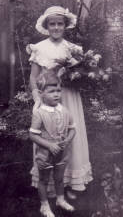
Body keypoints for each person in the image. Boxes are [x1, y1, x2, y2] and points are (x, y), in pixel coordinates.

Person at [27, 6, 92, 198]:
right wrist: (37, 98)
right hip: (47, 98)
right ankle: (49, 185)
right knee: (48, 138)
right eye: (52, 24)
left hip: (69, 97)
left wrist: (79, 75)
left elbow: (83, 75)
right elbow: (33, 77)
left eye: (59, 24)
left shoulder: (73, 48)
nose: (56, 27)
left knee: (70, 136)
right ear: (47, 26)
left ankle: (71, 182)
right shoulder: (39, 48)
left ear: (65, 25)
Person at [29, 70, 75, 217]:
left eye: (58, 91)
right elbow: (33, 135)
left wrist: (68, 140)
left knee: (59, 178)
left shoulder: (65, 110)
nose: (56, 94)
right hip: (45, 153)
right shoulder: (40, 113)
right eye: (51, 91)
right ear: (41, 93)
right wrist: (49, 145)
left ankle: (60, 200)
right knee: (43, 179)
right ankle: (44, 205)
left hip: (62, 152)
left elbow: (73, 129)